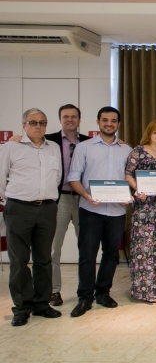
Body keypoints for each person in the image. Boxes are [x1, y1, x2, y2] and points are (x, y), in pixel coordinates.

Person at [68, 107, 132, 317]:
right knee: (87, 255)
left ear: (118, 124)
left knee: (111, 255)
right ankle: (85, 298)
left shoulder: (126, 150)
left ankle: (103, 293)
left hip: (116, 211)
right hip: (90, 209)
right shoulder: (84, 148)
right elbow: (74, 178)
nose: (109, 124)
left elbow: (130, 177)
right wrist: (86, 196)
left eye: (113, 121)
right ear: (97, 122)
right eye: (105, 120)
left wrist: (129, 194)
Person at [0, 108, 62, 326]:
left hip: (46, 209)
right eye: (33, 122)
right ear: (24, 125)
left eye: (42, 123)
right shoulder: (11, 147)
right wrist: (12, 200)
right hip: (19, 208)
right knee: (18, 260)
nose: (38, 126)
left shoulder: (53, 148)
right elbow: (1, 178)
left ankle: (42, 304)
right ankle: (22, 307)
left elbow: (57, 177)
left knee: (44, 259)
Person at [125, 120, 156, 303]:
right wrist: (137, 189)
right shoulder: (138, 151)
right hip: (144, 208)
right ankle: (143, 291)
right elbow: (128, 173)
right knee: (144, 249)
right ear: (149, 134)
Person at [45, 104, 89, 306]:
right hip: (60, 198)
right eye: (66, 116)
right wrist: (16, 139)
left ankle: (86, 290)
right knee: (54, 248)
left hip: (84, 199)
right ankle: (54, 291)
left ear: (79, 120)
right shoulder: (48, 141)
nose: (70, 120)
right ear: (60, 119)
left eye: (73, 116)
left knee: (86, 247)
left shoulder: (90, 142)